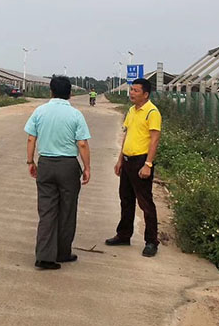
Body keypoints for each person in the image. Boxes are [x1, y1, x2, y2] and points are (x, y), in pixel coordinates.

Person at [25, 75, 91, 270]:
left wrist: (31, 161)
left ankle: (44, 256)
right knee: (67, 210)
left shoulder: (40, 111)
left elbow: (31, 139)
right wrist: (87, 167)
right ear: (70, 93)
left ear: (51, 92)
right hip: (68, 166)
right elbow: (82, 143)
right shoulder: (75, 115)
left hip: (45, 163)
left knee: (47, 211)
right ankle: (62, 252)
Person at [105, 77, 161, 257]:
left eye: (136, 91)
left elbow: (154, 140)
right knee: (126, 199)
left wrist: (148, 164)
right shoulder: (131, 110)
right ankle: (123, 235)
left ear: (145, 94)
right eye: (131, 90)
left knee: (145, 203)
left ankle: (151, 241)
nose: (132, 93)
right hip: (128, 160)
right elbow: (128, 135)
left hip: (141, 162)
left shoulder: (152, 112)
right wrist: (120, 159)